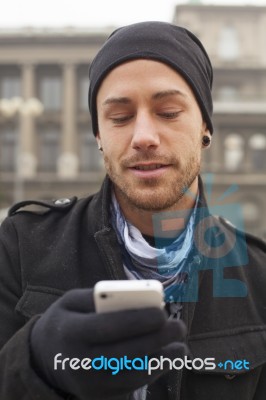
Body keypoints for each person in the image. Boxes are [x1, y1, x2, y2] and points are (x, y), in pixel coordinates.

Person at [0, 21, 265, 400]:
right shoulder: (18, 248)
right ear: (98, 137)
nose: (143, 136)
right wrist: (33, 366)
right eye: (120, 117)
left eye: (169, 112)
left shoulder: (258, 278)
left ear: (206, 126)